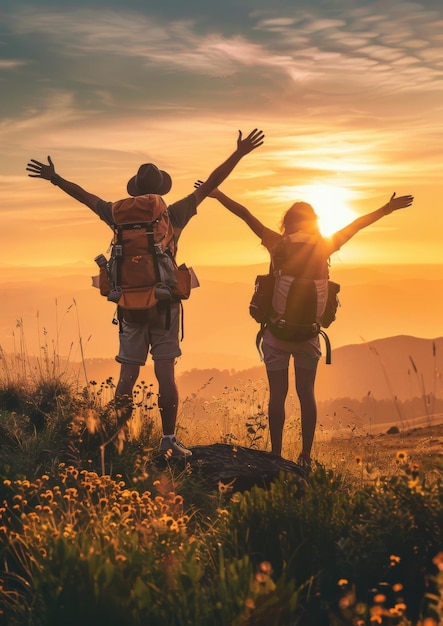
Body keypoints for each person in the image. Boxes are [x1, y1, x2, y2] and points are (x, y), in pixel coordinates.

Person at [26, 128, 264, 457]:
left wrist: (55, 177)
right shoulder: (173, 214)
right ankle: (168, 441)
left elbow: (85, 196)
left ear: (135, 189)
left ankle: (117, 440)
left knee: (128, 373)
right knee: (165, 371)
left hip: (127, 304)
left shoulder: (116, 214)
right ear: (160, 190)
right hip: (165, 305)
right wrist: (239, 153)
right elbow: (210, 184)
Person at [197, 184, 413, 467]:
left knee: (277, 395)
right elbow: (357, 225)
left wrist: (217, 193)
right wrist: (387, 208)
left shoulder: (277, 243)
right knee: (306, 394)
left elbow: (244, 214)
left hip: (276, 333)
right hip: (309, 336)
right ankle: (306, 456)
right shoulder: (325, 246)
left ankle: (275, 454)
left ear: (287, 223)